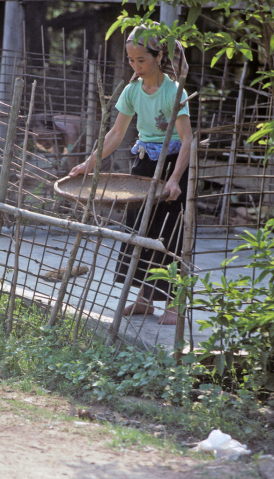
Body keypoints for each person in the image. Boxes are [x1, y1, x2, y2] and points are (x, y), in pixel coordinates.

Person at [69, 24, 193, 325]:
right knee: (140, 230)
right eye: (131, 60)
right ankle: (145, 299)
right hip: (143, 164)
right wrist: (90, 163)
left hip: (173, 165)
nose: (136, 66)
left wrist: (175, 178)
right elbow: (115, 133)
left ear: (159, 56)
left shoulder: (174, 92)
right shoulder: (132, 90)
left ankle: (176, 303)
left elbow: (187, 140)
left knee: (171, 233)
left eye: (142, 60)